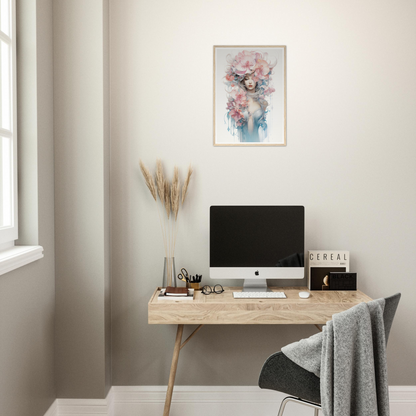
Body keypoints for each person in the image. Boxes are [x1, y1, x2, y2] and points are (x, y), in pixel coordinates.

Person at [224, 51, 276, 142]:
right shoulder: (237, 101)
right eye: (247, 79)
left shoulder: (263, 102)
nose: (250, 82)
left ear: (258, 78)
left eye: (253, 77)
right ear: (242, 80)